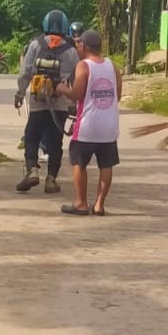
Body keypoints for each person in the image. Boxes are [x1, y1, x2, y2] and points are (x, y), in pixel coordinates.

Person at [58, 29, 121, 217]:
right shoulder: (112, 66)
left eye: (78, 44)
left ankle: (81, 203)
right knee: (106, 165)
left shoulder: (83, 66)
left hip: (87, 126)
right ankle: (100, 204)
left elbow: (76, 94)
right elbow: (117, 95)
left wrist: (62, 88)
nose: (77, 47)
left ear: (84, 46)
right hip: (109, 126)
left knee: (78, 162)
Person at [14, 10, 77, 195]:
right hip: (60, 102)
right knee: (55, 141)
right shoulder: (71, 50)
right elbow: (76, 78)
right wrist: (74, 103)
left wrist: (19, 93)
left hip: (37, 100)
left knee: (32, 136)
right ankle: (51, 180)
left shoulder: (36, 44)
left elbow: (25, 72)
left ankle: (32, 169)